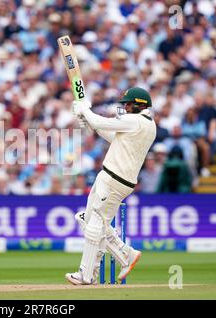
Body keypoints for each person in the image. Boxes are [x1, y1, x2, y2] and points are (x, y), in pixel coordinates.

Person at [66, 87, 156, 285]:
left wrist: (85, 110)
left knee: (95, 224)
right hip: (111, 176)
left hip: (115, 179)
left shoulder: (137, 120)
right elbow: (113, 137)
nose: (125, 107)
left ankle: (87, 274)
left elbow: (102, 122)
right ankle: (126, 254)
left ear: (140, 104)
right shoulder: (146, 124)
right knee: (88, 220)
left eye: (128, 104)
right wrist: (89, 121)